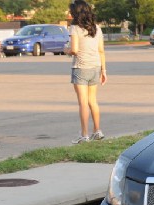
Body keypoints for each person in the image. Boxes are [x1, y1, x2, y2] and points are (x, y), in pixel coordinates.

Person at [66, 0, 107, 144]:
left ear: (76, 12)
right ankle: (97, 131)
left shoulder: (75, 28)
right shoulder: (96, 28)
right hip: (95, 67)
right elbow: (101, 50)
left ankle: (84, 135)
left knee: (83, 103)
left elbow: (74, 50)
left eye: (71, 11)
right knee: (93, 101)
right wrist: (104, 70)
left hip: (81, 68)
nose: (70, 14)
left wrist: (66, 50)